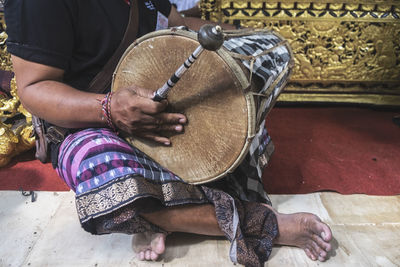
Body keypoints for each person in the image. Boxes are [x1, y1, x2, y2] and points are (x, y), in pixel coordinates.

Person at [4, 0, 332, 265]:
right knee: (96, 167)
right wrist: (110, 108)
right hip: (90, 121)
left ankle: (156, 215)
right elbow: (34, 87)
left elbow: (176, 24)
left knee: (252, 77)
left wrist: (238, 38)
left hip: (162, 112)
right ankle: (261, 222)